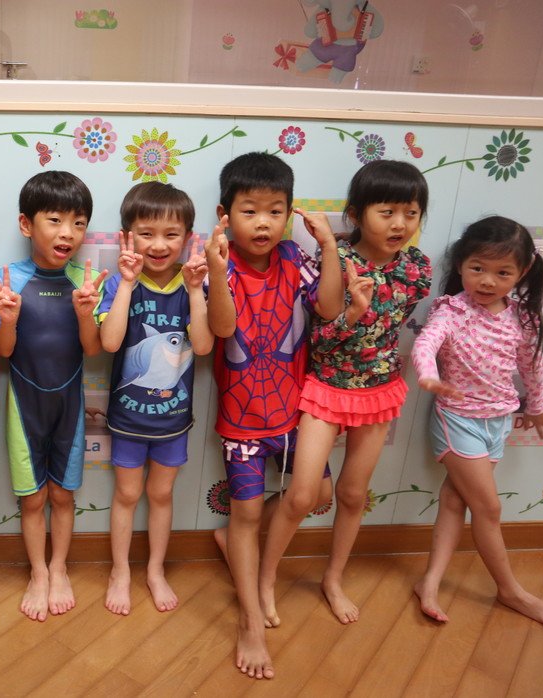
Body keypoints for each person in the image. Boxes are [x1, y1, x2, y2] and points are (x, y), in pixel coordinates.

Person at [259, 159, 432, 626]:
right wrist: (354, 314)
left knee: (353, 495)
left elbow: (395, 329)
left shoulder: (416, 267)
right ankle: (264, 579)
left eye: (411, 213)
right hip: (325, 388)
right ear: (356, 214)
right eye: (387, 212)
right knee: (302, 495)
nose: (399, 224)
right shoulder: (334, 258)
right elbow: (319, 339)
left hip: (379, 391)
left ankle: (333, 580)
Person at [207, 153, 344, 679]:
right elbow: (223, 330)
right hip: (242, 420)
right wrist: (216, 270)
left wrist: (328, 247)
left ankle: (233, 542)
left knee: (317, 496)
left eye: (275, 211)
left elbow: (329, 308)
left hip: (295, 412)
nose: (263, 222)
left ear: (289, 214)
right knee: (244, 514)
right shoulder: (218, 263)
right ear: (225, 215)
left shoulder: (293, 256)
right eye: (249, 211)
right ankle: (250, 622)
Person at [412, 215, 543, 627]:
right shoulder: (451, 311)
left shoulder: (522, 317)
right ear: (461, 263)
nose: (488, 281)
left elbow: (531, 366)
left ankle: (429, 582)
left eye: (502, 273)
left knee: (455, 499)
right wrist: (429, 375)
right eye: (478, 268)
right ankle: (510, 590)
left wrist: (536, 406)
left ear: (522, 272)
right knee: (488, 508)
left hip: (499, 422)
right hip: (458, 421)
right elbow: (426, 344)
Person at [0, 171, 105, 622]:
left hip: (69, 408)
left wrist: (86, 313)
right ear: (26, 224)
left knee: (62, 495)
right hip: (24, 407)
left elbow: (92, 351)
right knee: (33, 498)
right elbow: (4, 353)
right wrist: (7, 320)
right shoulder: (10, 279)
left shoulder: (85, 281)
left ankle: (59, 568)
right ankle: (38, 572)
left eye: (78, 223)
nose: (67, 233)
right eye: (55, 220)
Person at [98, 181, 214, 616]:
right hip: (128, 420)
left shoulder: (193, 286)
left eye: (171, 234)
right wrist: (128, 284)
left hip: (173, 421)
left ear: (188, 238)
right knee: (127, 495)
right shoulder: (118, 283)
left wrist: (196, 291)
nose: (159, 245)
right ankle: (120, 571)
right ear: (127, 236)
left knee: (161, 495)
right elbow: (110, 343)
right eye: (146, 233)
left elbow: (203, 347)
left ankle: (155, 569)